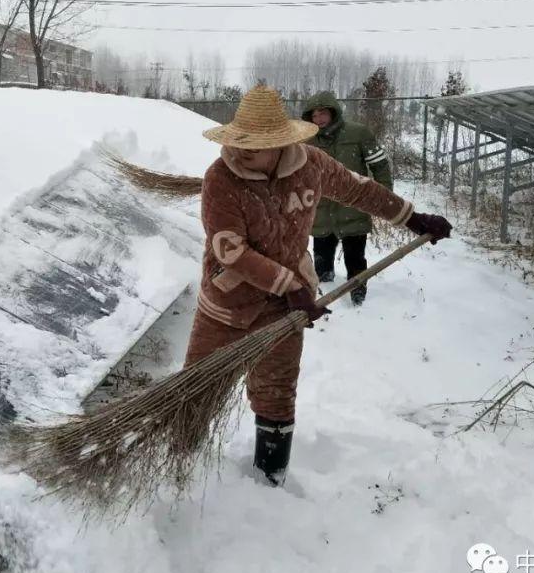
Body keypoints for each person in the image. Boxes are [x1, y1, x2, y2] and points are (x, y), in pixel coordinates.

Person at [185, 86, 451, 487]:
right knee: (196, 390)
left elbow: (360, 189)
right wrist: (290, 284)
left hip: (282, 310)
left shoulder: (310, 165)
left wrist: (414, 219)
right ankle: (179, 463)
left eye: (252, 147)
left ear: (280, 144)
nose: (240, 153)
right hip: (227, 305)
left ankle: (269, 480)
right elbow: (229, 250)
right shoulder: (221, 178)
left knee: (276, 394)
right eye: (238, 144)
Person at [301, 91, 392, 305]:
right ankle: (326, 298)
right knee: (322, 258)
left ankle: (358, 297)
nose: (318, 119)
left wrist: (383, 198)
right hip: (321, 210)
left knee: (355, 258)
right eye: (313, 116)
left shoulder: (358, 133)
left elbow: (379, 166)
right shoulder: (306, 140)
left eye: (322, 114)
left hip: (354, 207)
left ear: (333, 112)